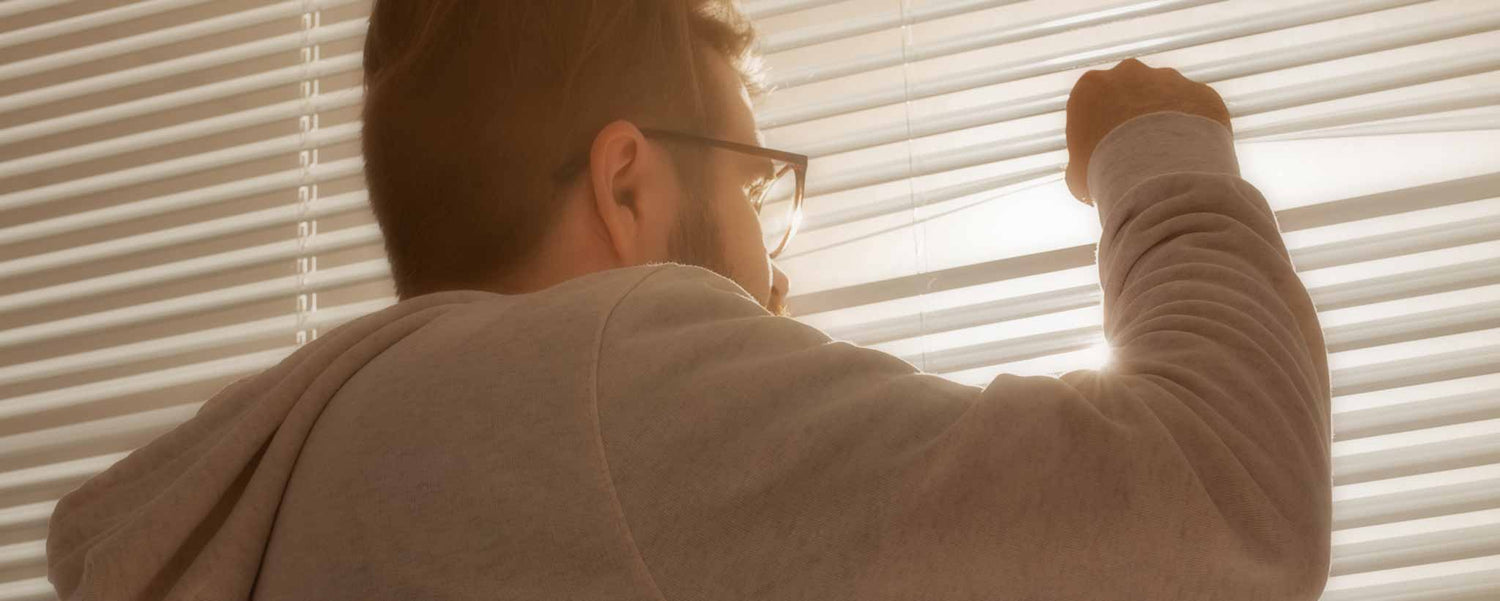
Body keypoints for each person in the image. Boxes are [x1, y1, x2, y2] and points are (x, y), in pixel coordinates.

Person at [45, 2, 1331, 600]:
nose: (781, 273)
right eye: (757, 184)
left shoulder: (280, 495)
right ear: (628, 182)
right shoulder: (600, 376)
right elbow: (1223, 497)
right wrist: (1162, 153)